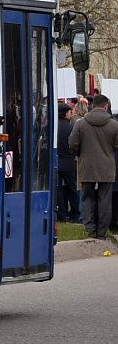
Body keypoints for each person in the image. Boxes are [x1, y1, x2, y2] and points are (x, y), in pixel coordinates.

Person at [68, 94, 118, 239]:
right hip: (107, 167)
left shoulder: (80, 123)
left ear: (92, 105)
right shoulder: (114, 125)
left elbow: (73, 144)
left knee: (87, 197)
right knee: (105, 199)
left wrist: (80, 154)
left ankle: (90, 229)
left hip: (86, 166)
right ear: (106, 106)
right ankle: (102, 232)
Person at [56, 102, 79, 222]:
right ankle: (75, 214)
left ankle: (61, 213)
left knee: (58, 189)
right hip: (69, 161)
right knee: (72, 188)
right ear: (65, 114)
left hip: (57, 161)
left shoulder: (52, 127)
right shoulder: (72, 128)